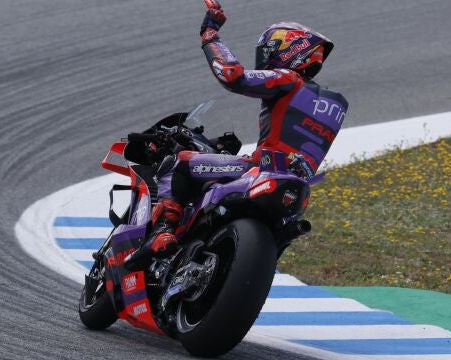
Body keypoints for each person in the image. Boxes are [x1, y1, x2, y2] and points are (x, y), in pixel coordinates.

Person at [124, 0, 348, 270]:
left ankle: (163, 231)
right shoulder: (337, 106)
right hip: (299, 190)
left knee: (181, 162)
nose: (266, 56)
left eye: (272, 48)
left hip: (261, 169)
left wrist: (210, 35)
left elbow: (233, 75)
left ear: (291, 49)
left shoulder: (288, 79)